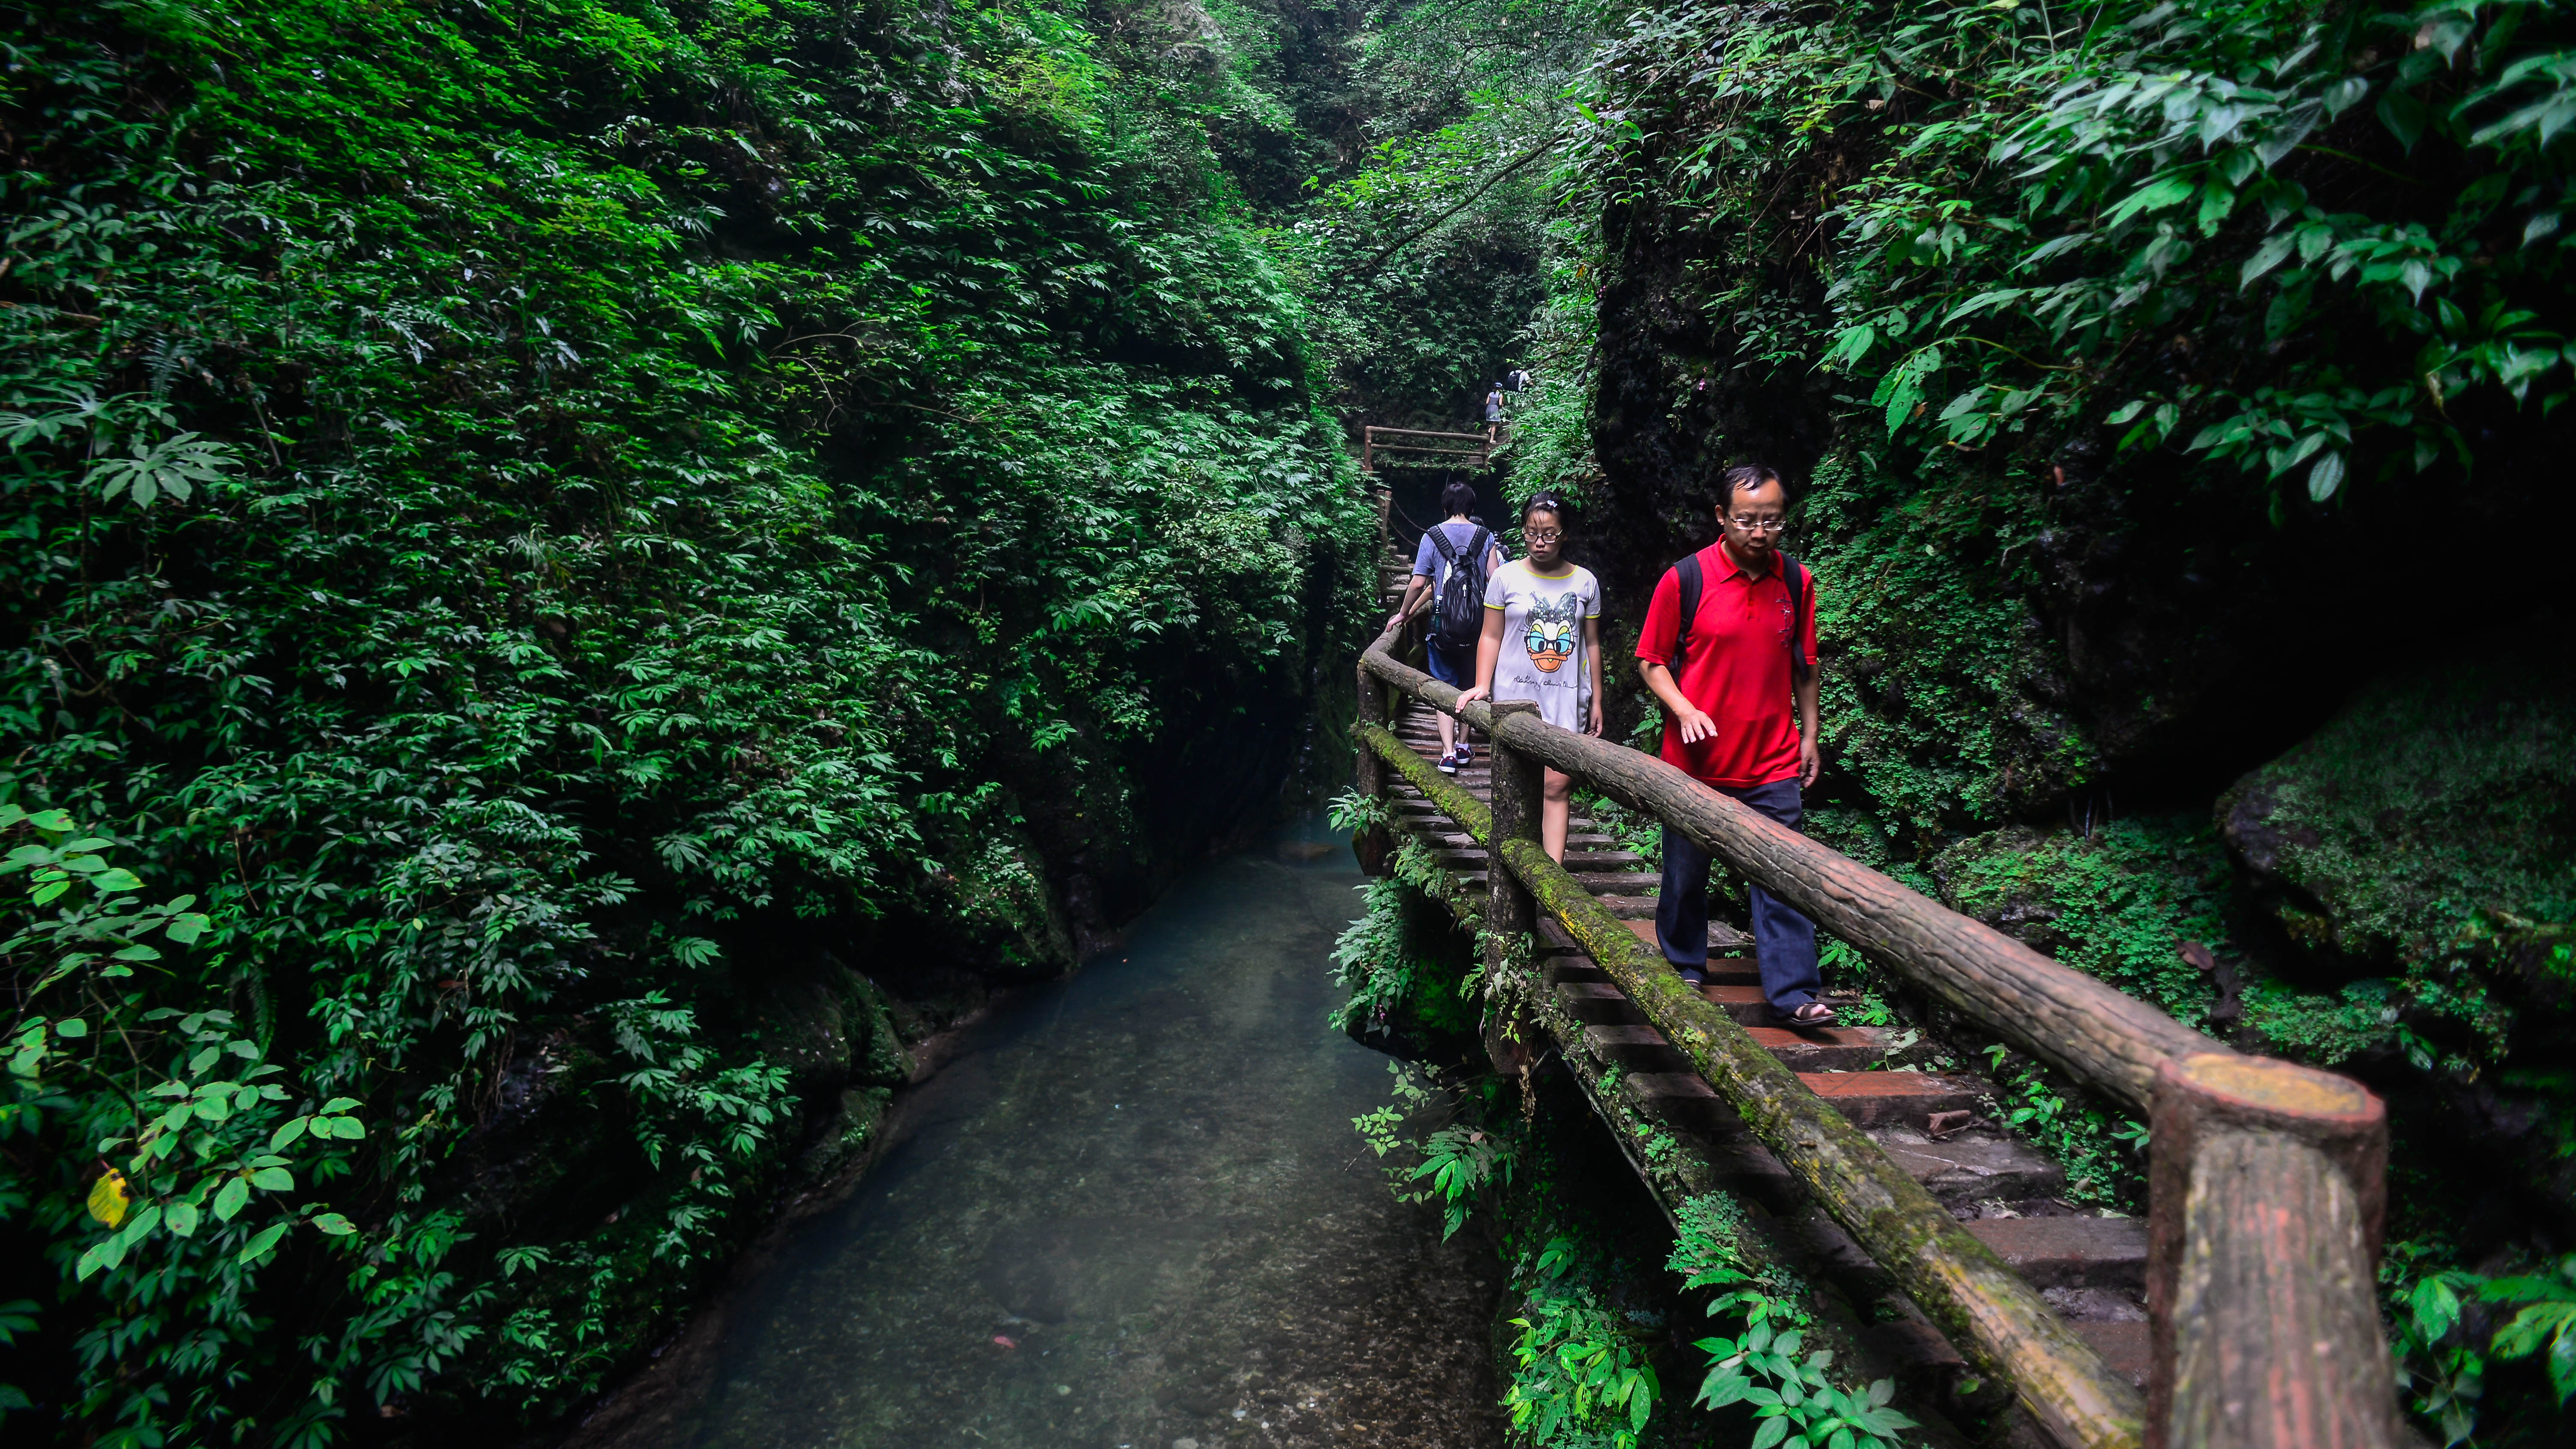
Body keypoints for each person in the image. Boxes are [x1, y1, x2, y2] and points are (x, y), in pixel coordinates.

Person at [1633, 464, 1833, 1026]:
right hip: (1696, 763)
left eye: (1772, 521)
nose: (1760, 532)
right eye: (1747, 520)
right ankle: (1684, 965)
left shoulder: (1797, 582)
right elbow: (1651, 662)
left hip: (1772, 760)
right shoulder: (1686, 579)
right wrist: (1685, 708)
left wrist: (1810, 736)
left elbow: (1806, 668)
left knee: (1784, 877)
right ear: (1722, 518)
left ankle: (1794, 994)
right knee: (1685, 875)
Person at [1455, 494, 1603, 862]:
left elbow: (1592, 644)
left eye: (1549, 535)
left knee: (1557, 786)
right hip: (1515, 697)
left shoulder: (1585, 582)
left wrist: (1598, 699)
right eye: (1533, 533)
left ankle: (1550, 879)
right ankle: (1514, 869)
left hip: (1567, 696)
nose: (1540, 542)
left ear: (1564, 535)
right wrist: (1482, 684)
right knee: (1517, 785)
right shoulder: (1505, 577)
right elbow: (1491, 635)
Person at [1386, 481, 1507, 772]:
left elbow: (1417, 583)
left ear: (1444, 507)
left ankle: (1449, 753)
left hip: (1442, 627)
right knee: (1469, 685)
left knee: (1444, 686)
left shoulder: (1432, 536)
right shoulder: (1485, 536)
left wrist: (1403, 614)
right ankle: (1465, 747)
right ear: (1472, 508)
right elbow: (1496, 580)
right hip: (1477, 627)